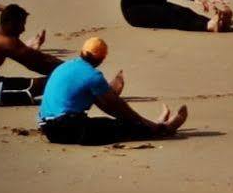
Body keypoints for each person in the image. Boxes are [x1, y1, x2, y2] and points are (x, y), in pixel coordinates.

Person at [35, 36, 186, 144]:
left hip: (48, 129)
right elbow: (118, 108)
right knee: (121, 127)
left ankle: (153, 125)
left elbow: (103, 104)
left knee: (109, 122)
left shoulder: (65, 66)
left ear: (83, 51)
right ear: (102, 58)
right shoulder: (92, 75)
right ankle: (162, 129)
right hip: (68, 129)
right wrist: (144, 123)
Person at [0, 4, 64, 107]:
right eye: (21, 24)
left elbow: (31, 57)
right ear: (10, 23)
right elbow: (39, 63)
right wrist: (70, 68)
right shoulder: (5, 41)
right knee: (56, 81)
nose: (23, 29)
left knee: (55, 79)